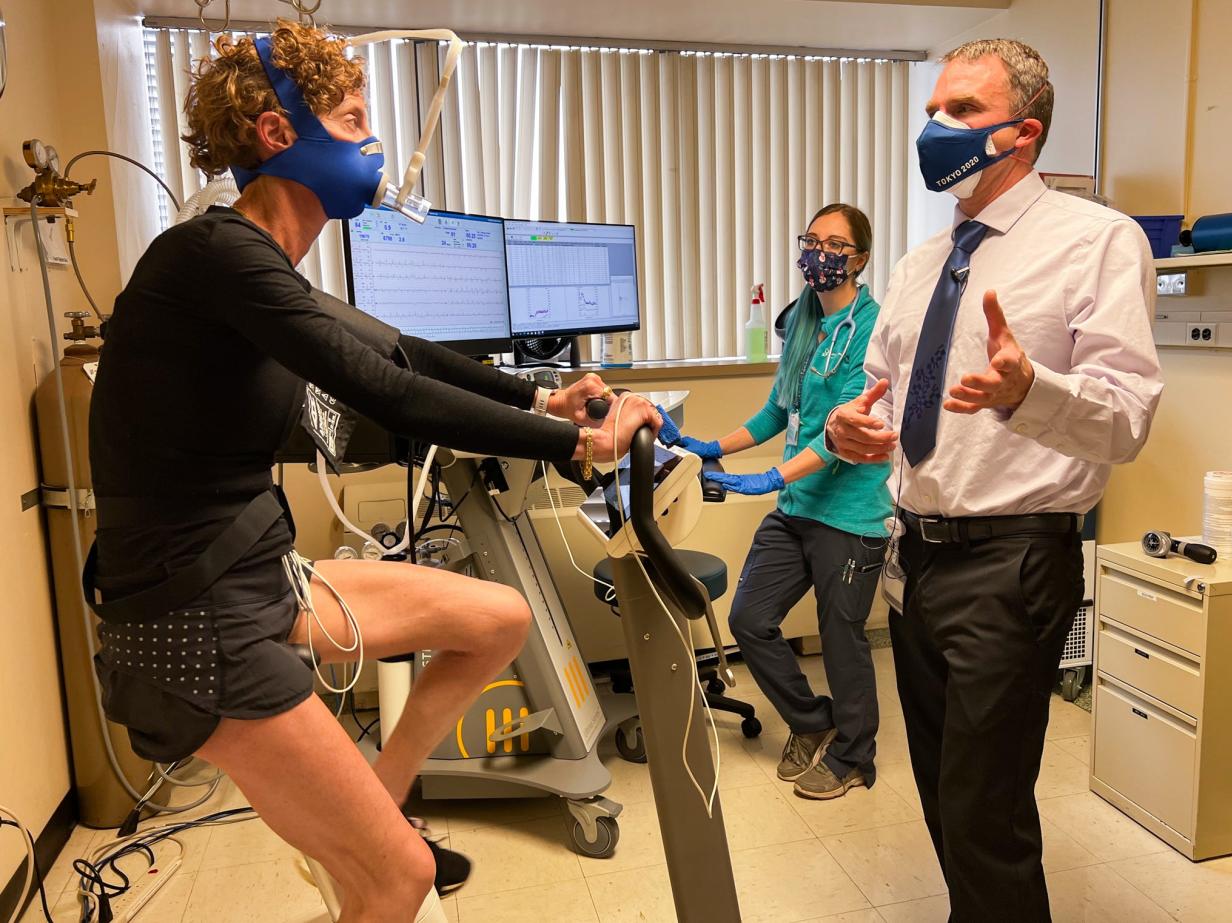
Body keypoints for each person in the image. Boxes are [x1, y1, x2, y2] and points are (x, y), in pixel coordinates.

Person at [86, 21, 660, 923]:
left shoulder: (258, 264)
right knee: (399, 883)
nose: (373, 143)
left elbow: (401, 350)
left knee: (497, 619)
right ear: (280, 136)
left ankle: (376, 807)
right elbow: (387, 393)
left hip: (253, 578)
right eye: (354, 120)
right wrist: (573, 446)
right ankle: (377, 859)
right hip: (192, 619)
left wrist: (536, 402)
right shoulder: (213, 254)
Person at [826, 39, 1162, 922]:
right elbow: (880, 402)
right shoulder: (914, 266)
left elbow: (1128, 417)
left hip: (1012, 565)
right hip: (916, 561)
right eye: (934, 108)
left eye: (964, 111)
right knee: (942, 792)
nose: (936, 126)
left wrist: (1032, 391)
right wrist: (849, 429)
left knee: (986, 808)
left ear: (1025, 132)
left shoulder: (1097, 243)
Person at [657, 204, 891, 800]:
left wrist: (769, 479)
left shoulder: (872, 328)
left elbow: (843, 430)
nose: (819, 253)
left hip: (850, 510)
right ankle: (814, 722)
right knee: (749, 620)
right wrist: (712, 443)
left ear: (859, 259)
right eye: (812, 240)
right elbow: (777, 412)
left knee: (841, 639)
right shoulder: (806, 317)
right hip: (797, 508)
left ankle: (854, 755)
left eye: (835, 244)